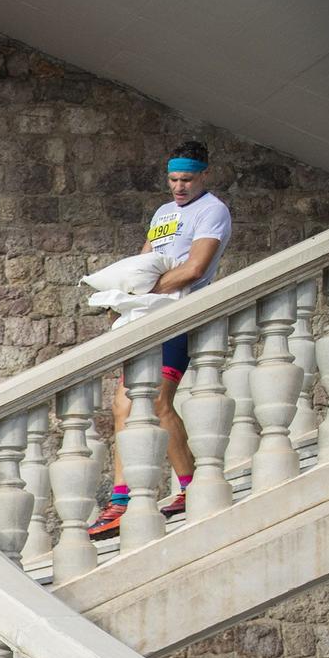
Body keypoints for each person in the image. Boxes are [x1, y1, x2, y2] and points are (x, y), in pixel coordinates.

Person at [88, 140, 233, 538]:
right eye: (173, 179)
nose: (179, 187)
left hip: (181, 315)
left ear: (204, 174)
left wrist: (143, 291)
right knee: (122, 403)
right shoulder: (163, 212)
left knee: (155, 400)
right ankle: (121, 501)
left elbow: (195, 268)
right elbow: (143, 261)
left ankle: (189, 485)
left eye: (187, 179)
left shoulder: (212, 210)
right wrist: (127, 295)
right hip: (151, 315)